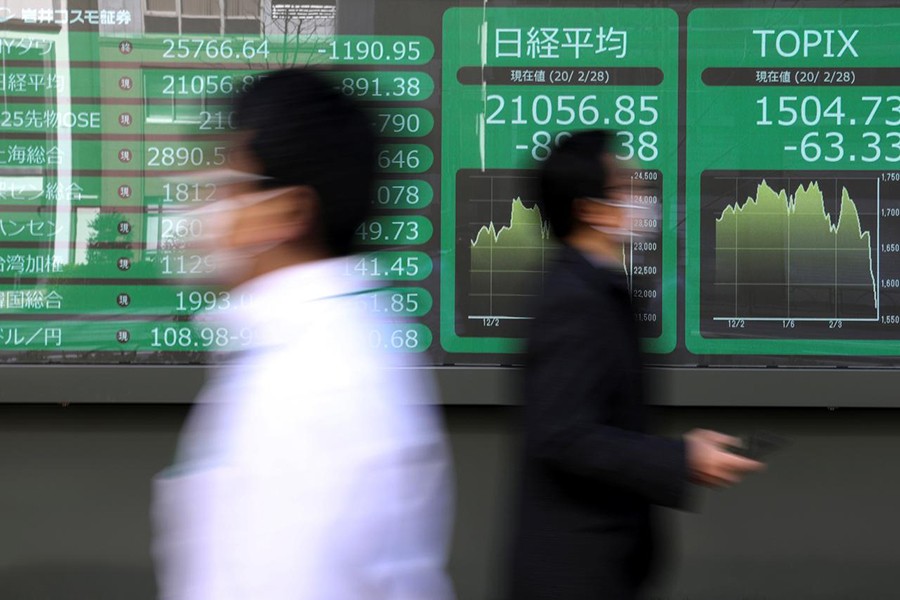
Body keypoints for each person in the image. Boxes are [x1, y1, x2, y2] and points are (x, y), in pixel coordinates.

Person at [152, 68, 455, 600]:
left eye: (229, 179)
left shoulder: (313, 385)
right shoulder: (317, 349)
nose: (204, 199)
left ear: (288, 210)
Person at [507, 130, 763, 600]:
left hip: (603, 570)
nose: (642, 195)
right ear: (590, 210)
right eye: (626, 186)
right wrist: (680, 458)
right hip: (572, 577)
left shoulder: (602, 289)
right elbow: (563, 435)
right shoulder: (572, 300)